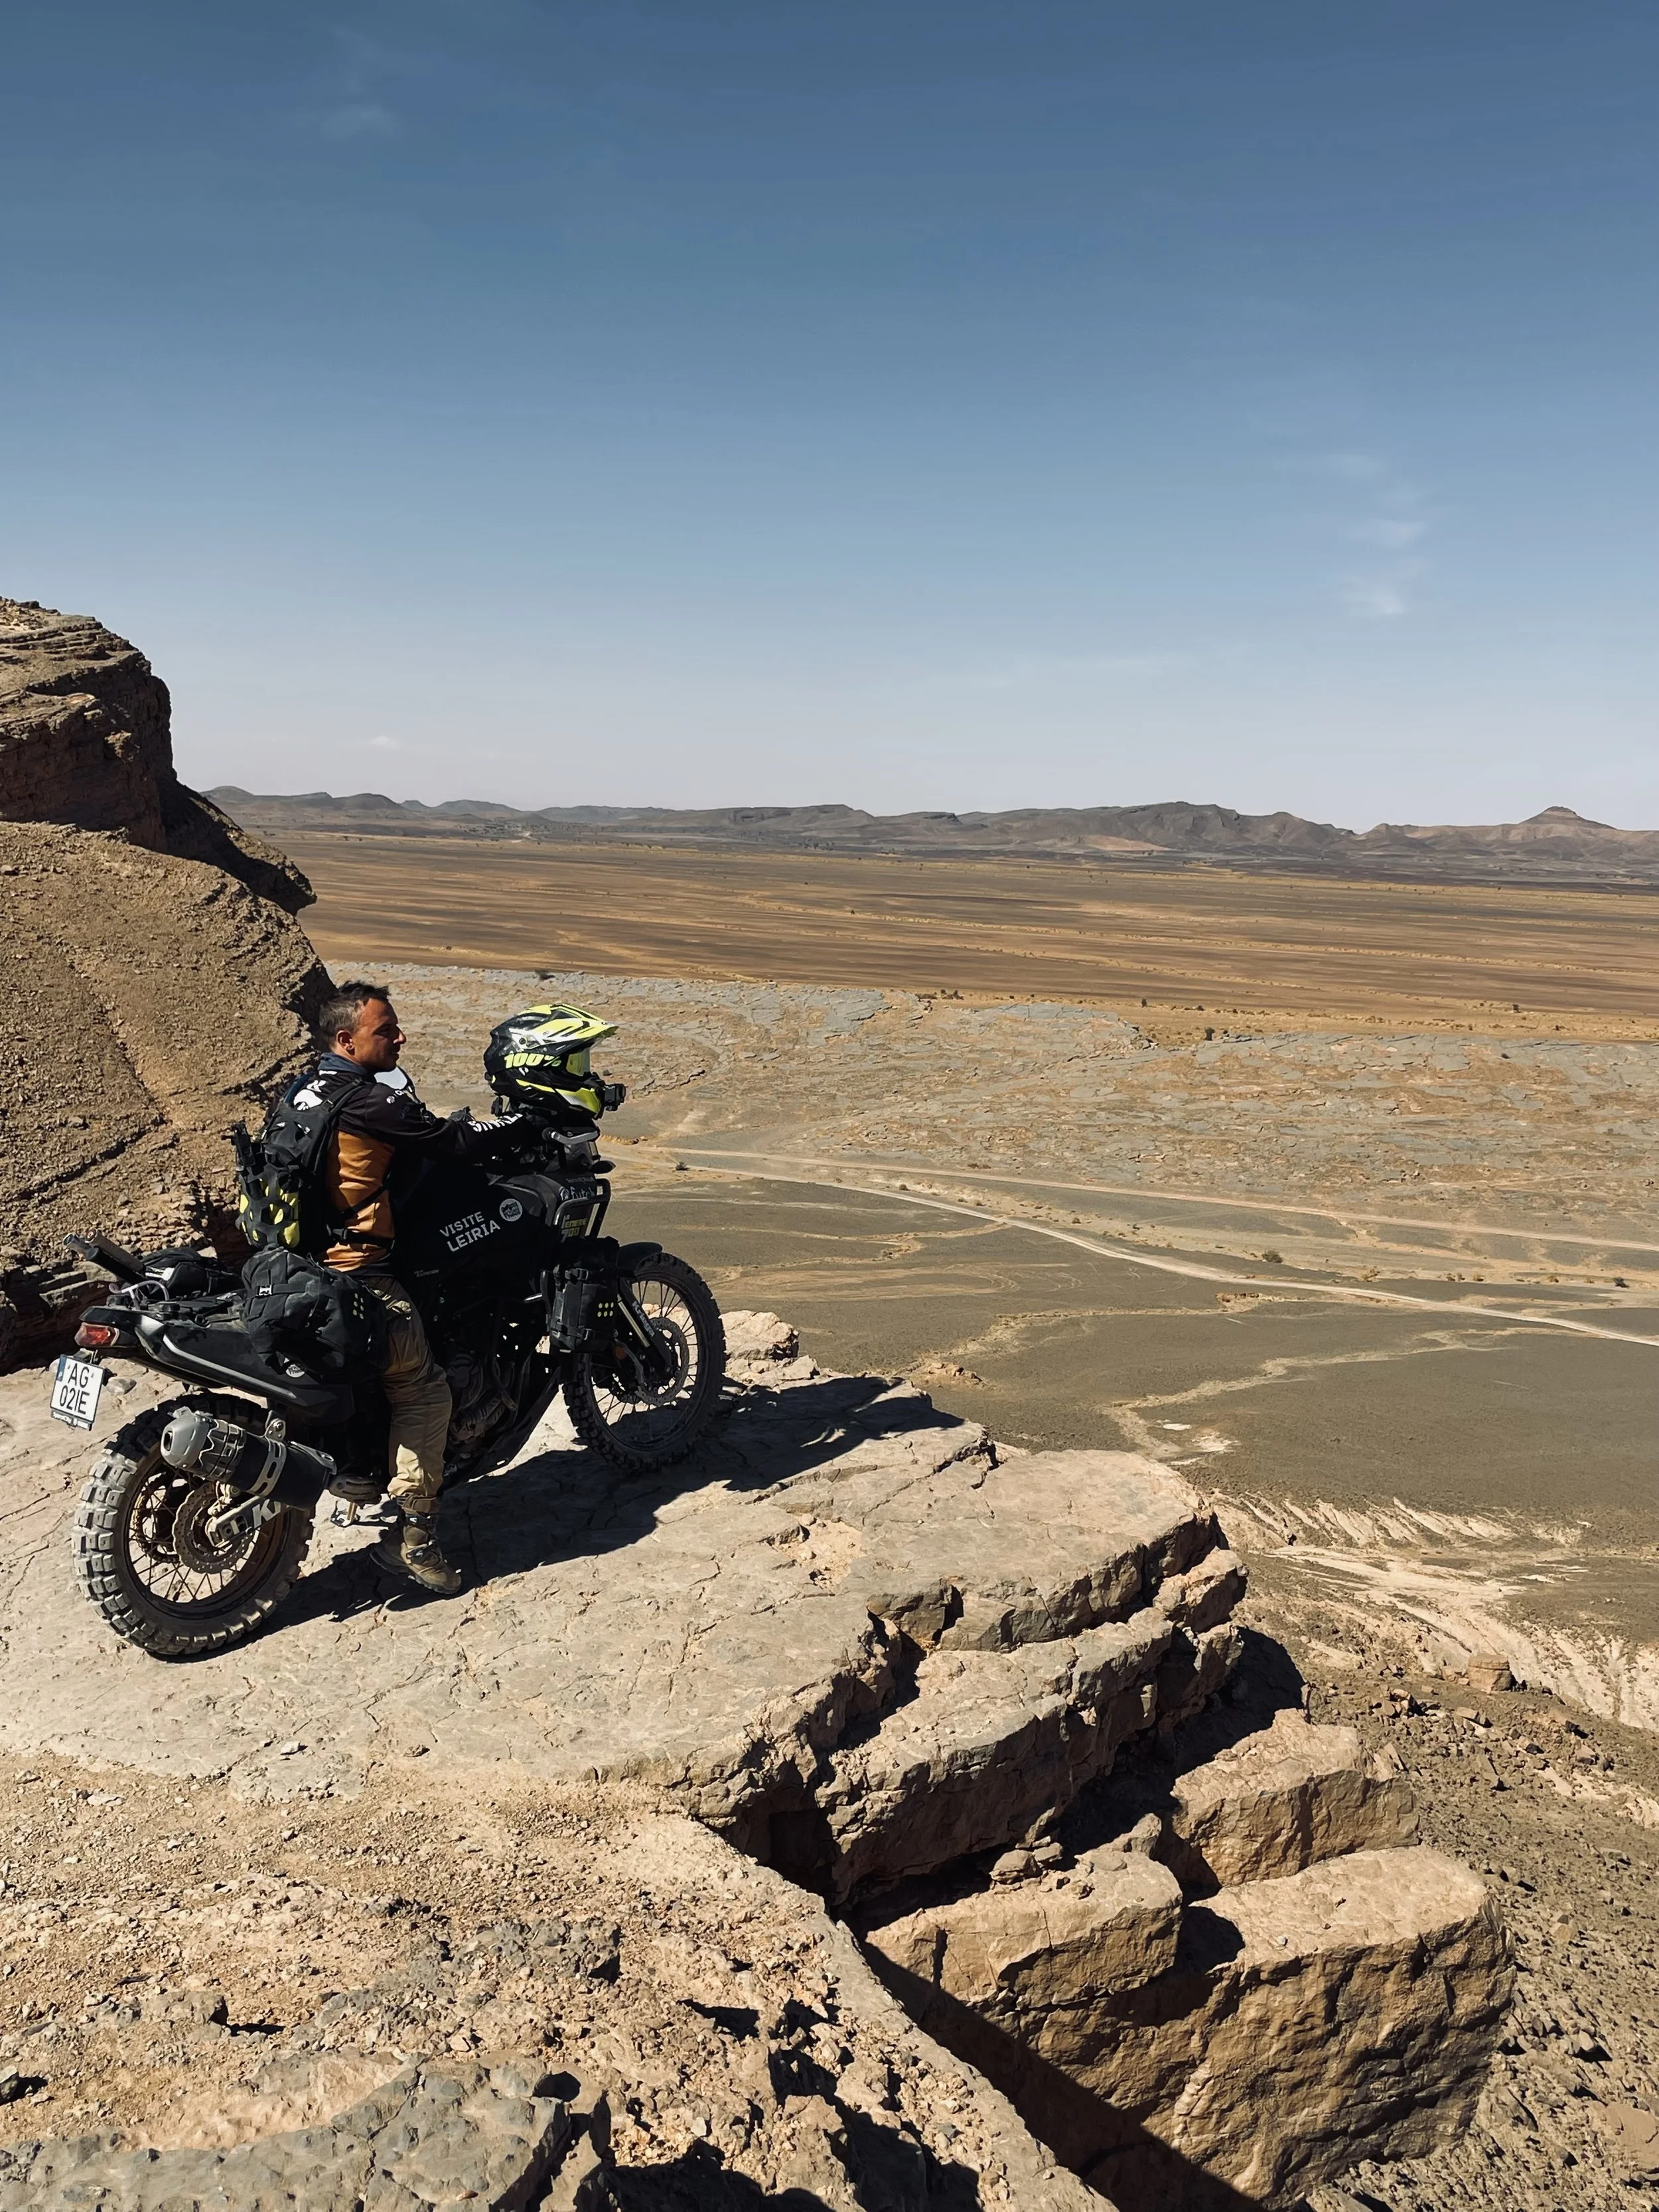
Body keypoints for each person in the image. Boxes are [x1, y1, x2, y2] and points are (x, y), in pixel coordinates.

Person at [307, 980, 516, 1595]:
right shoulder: (366, 1100)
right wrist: (514, 1124)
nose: (400, 1036)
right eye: (385, 1030)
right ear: (347, 1040)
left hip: (301, 1265)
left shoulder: (304, 1090)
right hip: (359, 1273)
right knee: (425, 1391)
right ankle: (417, 1543)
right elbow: (451, 1140)